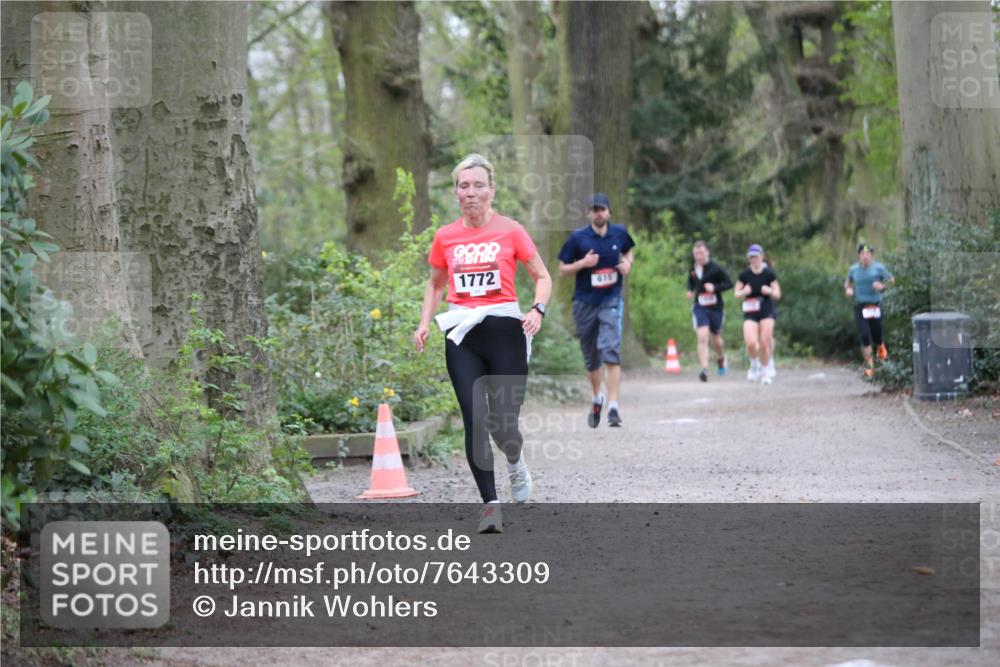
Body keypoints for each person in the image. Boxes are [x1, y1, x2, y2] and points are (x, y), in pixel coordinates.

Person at [413, 154, 552, 534]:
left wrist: (538, 309)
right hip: (462, 333)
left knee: (502, 422)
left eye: (477, 185)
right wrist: (425, 322)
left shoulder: (511, 230)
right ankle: (490, 505)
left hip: (506, 329)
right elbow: (436, 283)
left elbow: (542, 276)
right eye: (463, 185)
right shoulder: (445, 236)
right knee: (474, 419)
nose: (470, 192)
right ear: (456, 192)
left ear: (491, 190)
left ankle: (515, 460)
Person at [557, 193, 636, 428]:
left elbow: (629, 250)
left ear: (609, 212)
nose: (598, 213)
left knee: (610, 349)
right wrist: (582, 264)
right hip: (584, 303)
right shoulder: (578, 238)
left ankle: (613, 407)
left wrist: (628, 264)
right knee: (592, 358)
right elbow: (562, 270)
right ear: (588, 213)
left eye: (602, 209)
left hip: (610, 300)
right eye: (594, 209)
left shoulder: (619, 233)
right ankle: (596, 397)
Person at [844, 242, 894, 378]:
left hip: (875, 306)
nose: (865, 256)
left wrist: (882, 286)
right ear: (859, 256)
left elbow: (892, 280)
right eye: (862, 254)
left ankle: (881, 351)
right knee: (864, 335)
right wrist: (848, 289)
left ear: (871, 255)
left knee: (877, 337)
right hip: (861, 306)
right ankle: (870, 367)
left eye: (868, 254)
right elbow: (848, 283)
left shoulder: (879, 268)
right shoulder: (853, 269)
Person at [734, 244, 781, 384]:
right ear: (749, 259)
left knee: (765, 342)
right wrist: (744, 292)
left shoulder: (769, 274)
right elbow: (736, 293)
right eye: (751, 257)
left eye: (756, 256)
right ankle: (754, 365)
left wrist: (770, 291)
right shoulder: (744, 274)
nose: (754, 259)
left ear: (762, 257)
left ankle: (765, 370)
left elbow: (777, 294)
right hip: (750, 311)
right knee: (751, 343)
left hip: (766, 310)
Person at [686, 241, 732, 382]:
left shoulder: (716, 268)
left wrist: (715, 287)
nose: (698, 256)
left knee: (716, 339)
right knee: (702, 336)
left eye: (701, 253)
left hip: (716, 308)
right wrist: (689, 290)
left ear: (707, 253)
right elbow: (690, 282)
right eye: (695, 253)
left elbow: (729, 284)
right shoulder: (693, 269)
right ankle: (704, 369)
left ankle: (721, 358)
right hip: (700, 307)